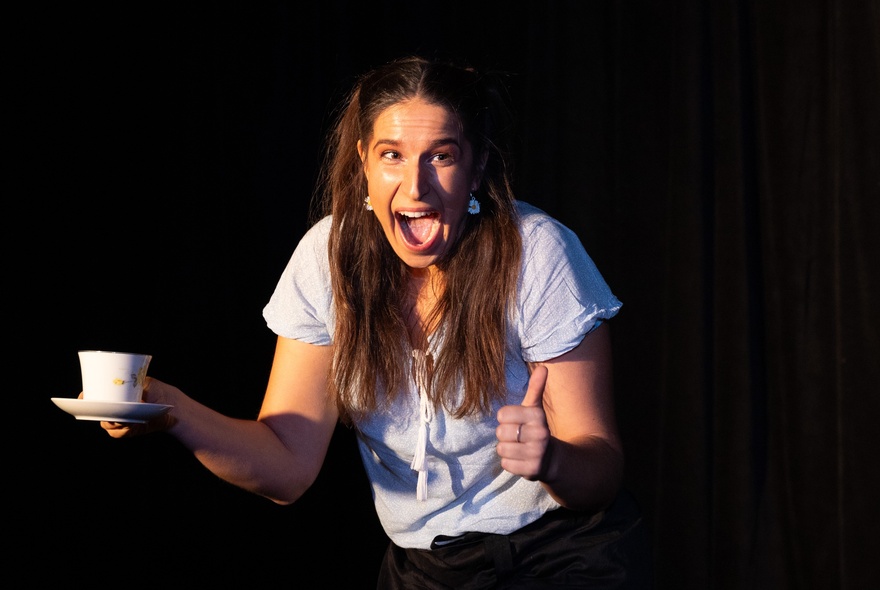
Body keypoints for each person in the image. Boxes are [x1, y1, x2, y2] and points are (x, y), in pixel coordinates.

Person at [92, 55, 651, 588]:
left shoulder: (537, 252)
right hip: (426, 570)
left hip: (561, 556)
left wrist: (551, 458)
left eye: (442, 155)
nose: (415, 187)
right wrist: (173, 411)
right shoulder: (326, 259)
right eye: (392, 156)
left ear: (478, 165)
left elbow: (600, 469)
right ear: (363, 161)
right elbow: (287, 467)